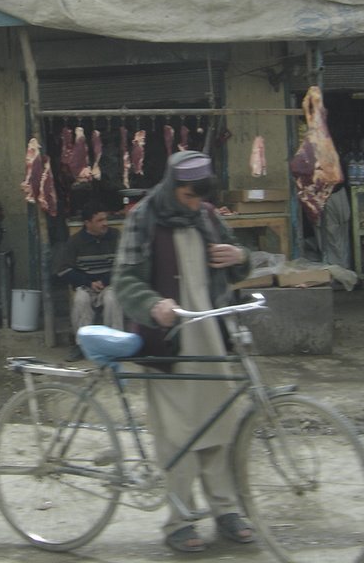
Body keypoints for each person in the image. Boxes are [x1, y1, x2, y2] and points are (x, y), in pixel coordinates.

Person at [112, 150, 255, 553]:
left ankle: (226, 511)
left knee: (219, 430)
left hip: (211, 338)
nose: (195, 204)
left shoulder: (208, 216)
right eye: (189, 196)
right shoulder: (144, 217)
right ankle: (179, 521)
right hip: (169, 345)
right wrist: (152, 304)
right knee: (178, 439)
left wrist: (238, 257)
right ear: (174, 187)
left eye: (199, 197)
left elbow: (239, 259)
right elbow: (124, 280)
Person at [54, 200, 123, 361]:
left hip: (109, 285)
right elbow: (63, 270)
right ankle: (82, 346)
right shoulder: (75, 241)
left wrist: (105, 281)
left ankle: (113, 345)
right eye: (99, 220)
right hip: (86, 286)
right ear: (87, 223)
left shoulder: (115, 236)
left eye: (105, 219)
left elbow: (123, 265)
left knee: (113, 298)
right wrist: (88, 282)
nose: (105, 223)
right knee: (80, 300)